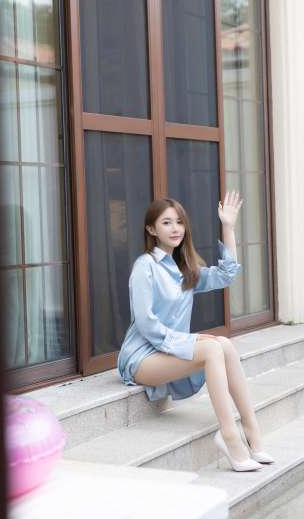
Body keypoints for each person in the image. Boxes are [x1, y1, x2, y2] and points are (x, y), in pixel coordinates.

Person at [117, 191, 275, 473]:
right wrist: (189, 340)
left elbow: (226, 275)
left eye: (179, 222)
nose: (175, 228)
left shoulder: (184, 269)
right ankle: (229, 436)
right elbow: (145, 322)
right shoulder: (145, 266)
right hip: (141, 357)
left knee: (224, 343)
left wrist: (228, 227)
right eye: (166, 223)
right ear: (151, 230)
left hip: (169, 352)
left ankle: (252, 430)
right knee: (212, 347)